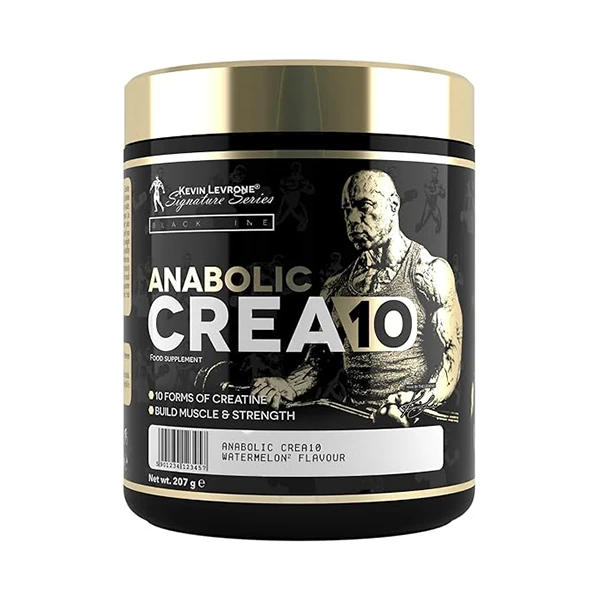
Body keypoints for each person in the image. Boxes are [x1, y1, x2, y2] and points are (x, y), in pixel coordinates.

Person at [252, 170, 463, 426]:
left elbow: (451, 358)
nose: (352, 219)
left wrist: (413, 403)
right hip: (357, 422)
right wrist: (290, 386)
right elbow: (320, 361)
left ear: (394, 205)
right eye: (346, 210)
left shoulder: (429, 272)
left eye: (364, 206)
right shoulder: (336, 287)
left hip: (417, 421)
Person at [276, 162, 314, 231]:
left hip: (295, 203)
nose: (296, 170)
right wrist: (297, 187)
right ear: (292, 169)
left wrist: (306, 187)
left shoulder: (302, 180)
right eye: (295, 168)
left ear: (300, 169)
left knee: (304, 220)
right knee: (277, 220)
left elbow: (311, 191)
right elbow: (282, 187)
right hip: (287, 202)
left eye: (298, 168)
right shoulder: (287, 179)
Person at [416, 166, 445, 234]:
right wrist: (436, 192)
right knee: (422, 222)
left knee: (439, 223)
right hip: (428, 205)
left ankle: (437, 232)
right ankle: (418, 228)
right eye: (433, 172)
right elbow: (427, 193)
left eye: (436, 173)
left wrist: (440, 191)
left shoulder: (439, 184)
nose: (434, 174)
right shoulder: (427, 182)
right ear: (431, 173)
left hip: (434, 206)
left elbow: (443, 195)